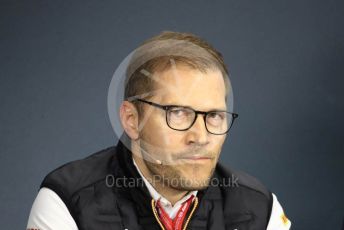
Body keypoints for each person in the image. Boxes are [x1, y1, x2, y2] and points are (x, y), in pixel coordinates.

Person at [27, 31, 291, 230]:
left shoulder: (260, 209)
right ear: (132, 120)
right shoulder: (67, 202)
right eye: (178, 113)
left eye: (214, 116)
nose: (200, 137)